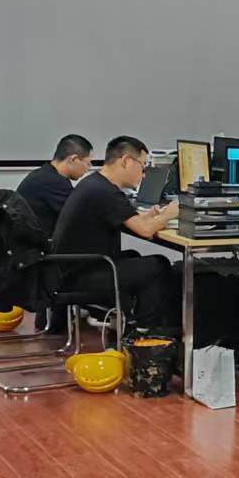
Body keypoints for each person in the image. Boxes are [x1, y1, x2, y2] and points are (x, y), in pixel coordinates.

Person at [50, 135, 179, 333]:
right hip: (79, 276)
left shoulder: (95, 184)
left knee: (134, 256)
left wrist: (151, 216)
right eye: (142, 165)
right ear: (126, 161)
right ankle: (143, 331)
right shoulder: (105, 192)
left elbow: (132, 220)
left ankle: (130, 321)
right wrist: (169, 214)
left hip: (70, 268)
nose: (144, 173)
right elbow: (145, 231)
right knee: (158, 265)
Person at [17, 134, 92, 236]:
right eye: (88, 163)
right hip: (36, 243)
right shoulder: (52, 182)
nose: (88, 168)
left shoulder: (44, 174)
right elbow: (81, 215)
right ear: (73, 159)